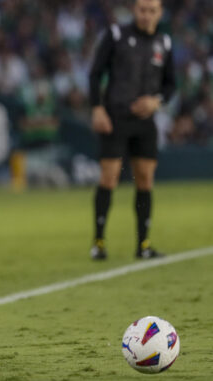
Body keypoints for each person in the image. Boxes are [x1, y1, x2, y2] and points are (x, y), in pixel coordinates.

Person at [88, 0, 175, 260]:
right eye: (142, 9)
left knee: (146, 179)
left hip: (145, 122)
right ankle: (99, 242)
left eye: (152, 10)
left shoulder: (165, 43)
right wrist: (97, 108)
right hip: (115, 118)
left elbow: (170, 85)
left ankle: (143, 245)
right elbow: (95, 73)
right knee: (109, 178)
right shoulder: (116, 35)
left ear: (159, 13)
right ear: (134, 10)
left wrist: (156, 101)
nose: (146, 15)